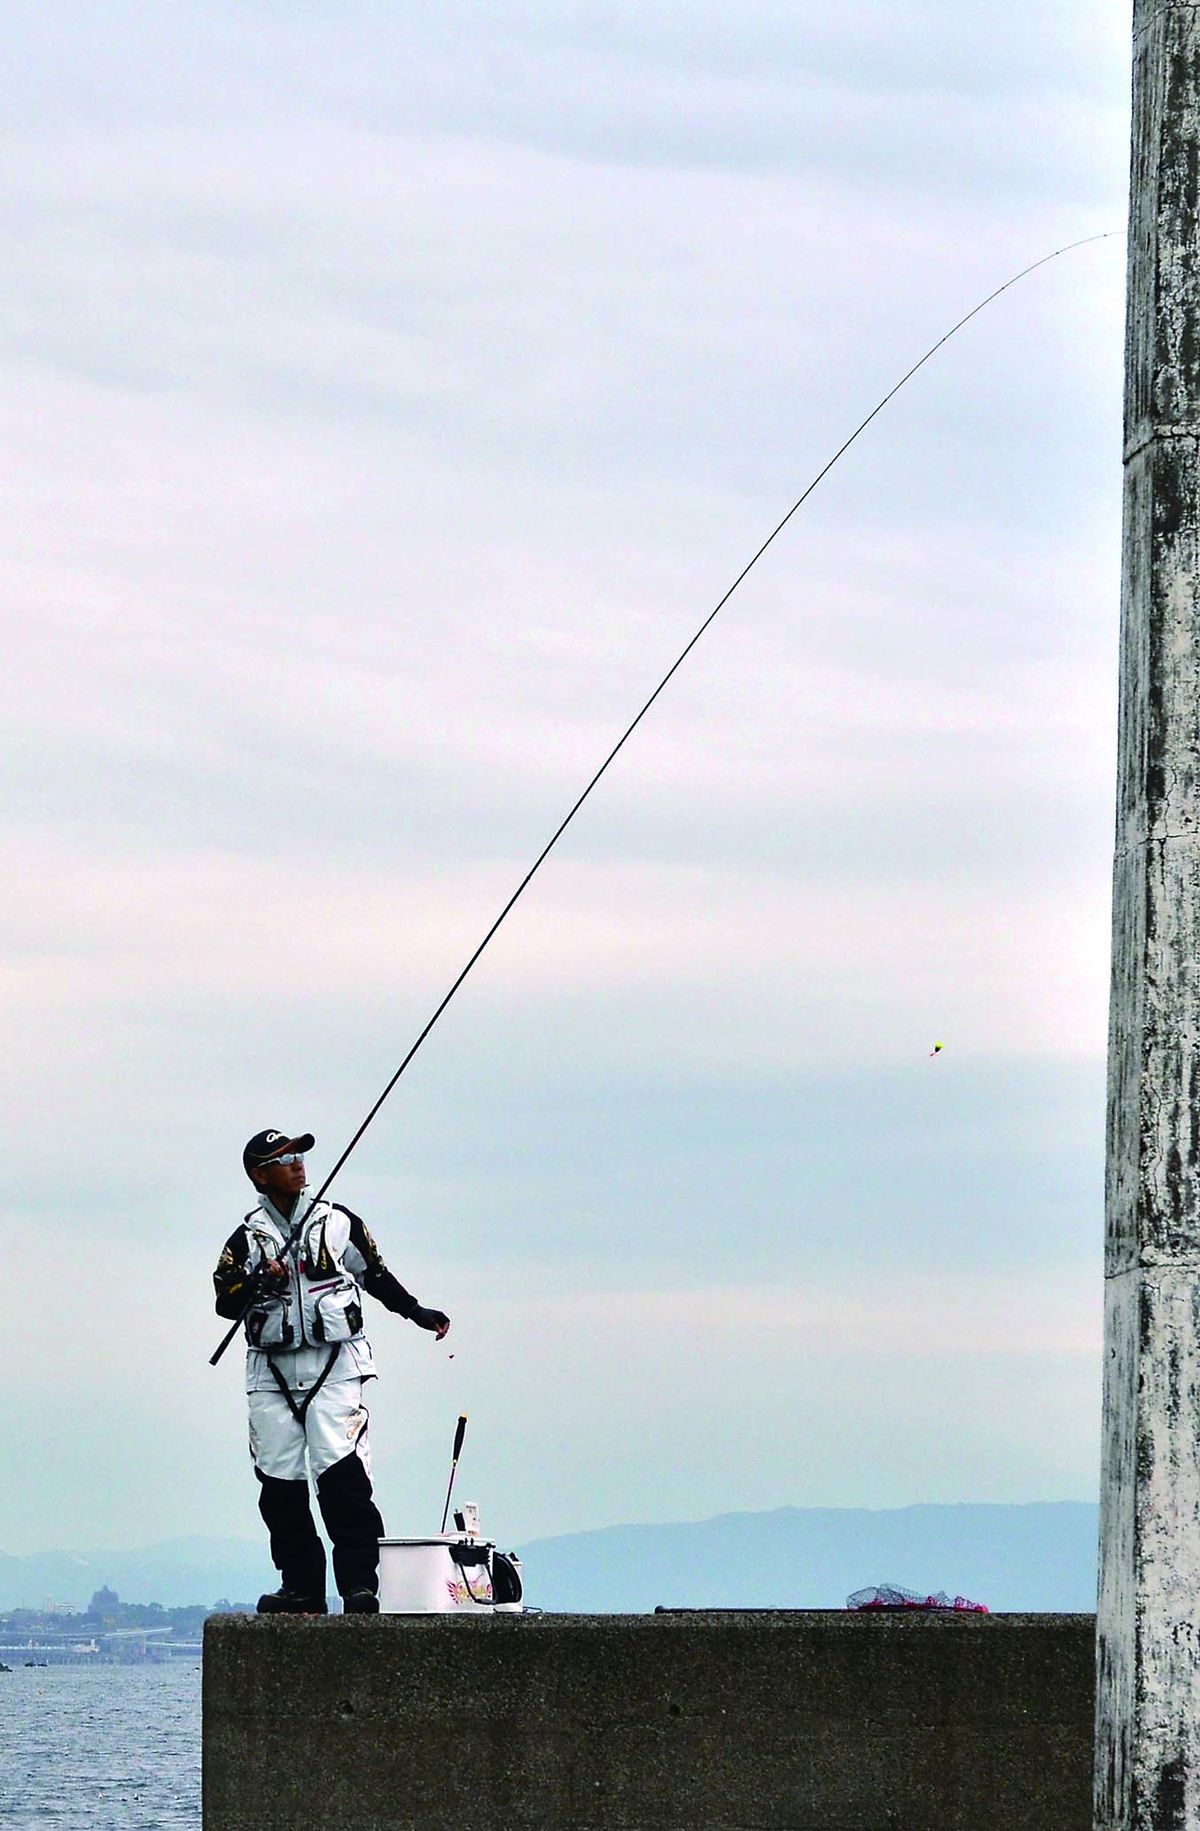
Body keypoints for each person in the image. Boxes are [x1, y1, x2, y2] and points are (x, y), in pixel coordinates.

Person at [213, 1128, 450, 1614]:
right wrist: (260, 1280)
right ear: (260, 1175)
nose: (298, 1163)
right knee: (279, 1487)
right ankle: (301, 1588)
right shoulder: (244, 1241)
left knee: (343, 1478)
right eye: (285, 1158)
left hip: (336, 1366)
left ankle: (361, 1587)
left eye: (300, 1155)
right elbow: (224, 1302)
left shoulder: (339, 1223)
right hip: (270, 1375)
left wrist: (418, 1313)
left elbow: (377, 1275)